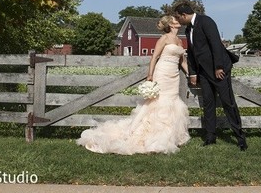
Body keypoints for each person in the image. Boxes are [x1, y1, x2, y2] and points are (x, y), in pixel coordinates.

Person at [76, 15, 190, 155]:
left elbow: (182, 60)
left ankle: (171, 136)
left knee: (172, 102)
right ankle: (151, 136)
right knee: (157, 103)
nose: (178, 21)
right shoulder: (164, 38)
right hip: (163, 72)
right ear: (171, 24)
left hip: (174, 76)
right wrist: (150, 75)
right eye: (175, 20)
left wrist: (191, 74)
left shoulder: (179, 40)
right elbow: (154, 57)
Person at [174, 2, 247, 151]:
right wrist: (193, 73)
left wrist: (218, 67)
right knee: (208, 103)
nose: (178, 21)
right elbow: (192, 53)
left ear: (184, 15)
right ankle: (210, 137)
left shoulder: (206, 21)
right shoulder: (189, 29)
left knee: (228, 102)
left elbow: (216, 44)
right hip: (203, 73)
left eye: (178, 18)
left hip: (218, 70)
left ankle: (240, 138)